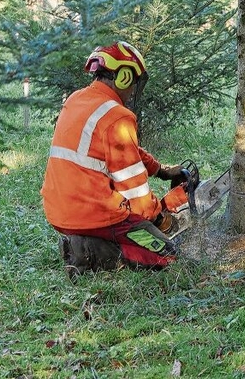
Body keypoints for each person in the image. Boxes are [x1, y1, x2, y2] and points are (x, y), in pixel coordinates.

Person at [40, 41, 186, 279]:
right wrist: (160, 217)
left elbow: (125, 149)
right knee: (168, 255)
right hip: (95, 213)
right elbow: (135, 192)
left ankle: (83, 244)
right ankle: (92, 254)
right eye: (134, 82)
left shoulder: (77, 100)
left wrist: (160, 170)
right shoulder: (117, 115)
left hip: (60, 211)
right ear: (124, 77)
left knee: (143, 236)